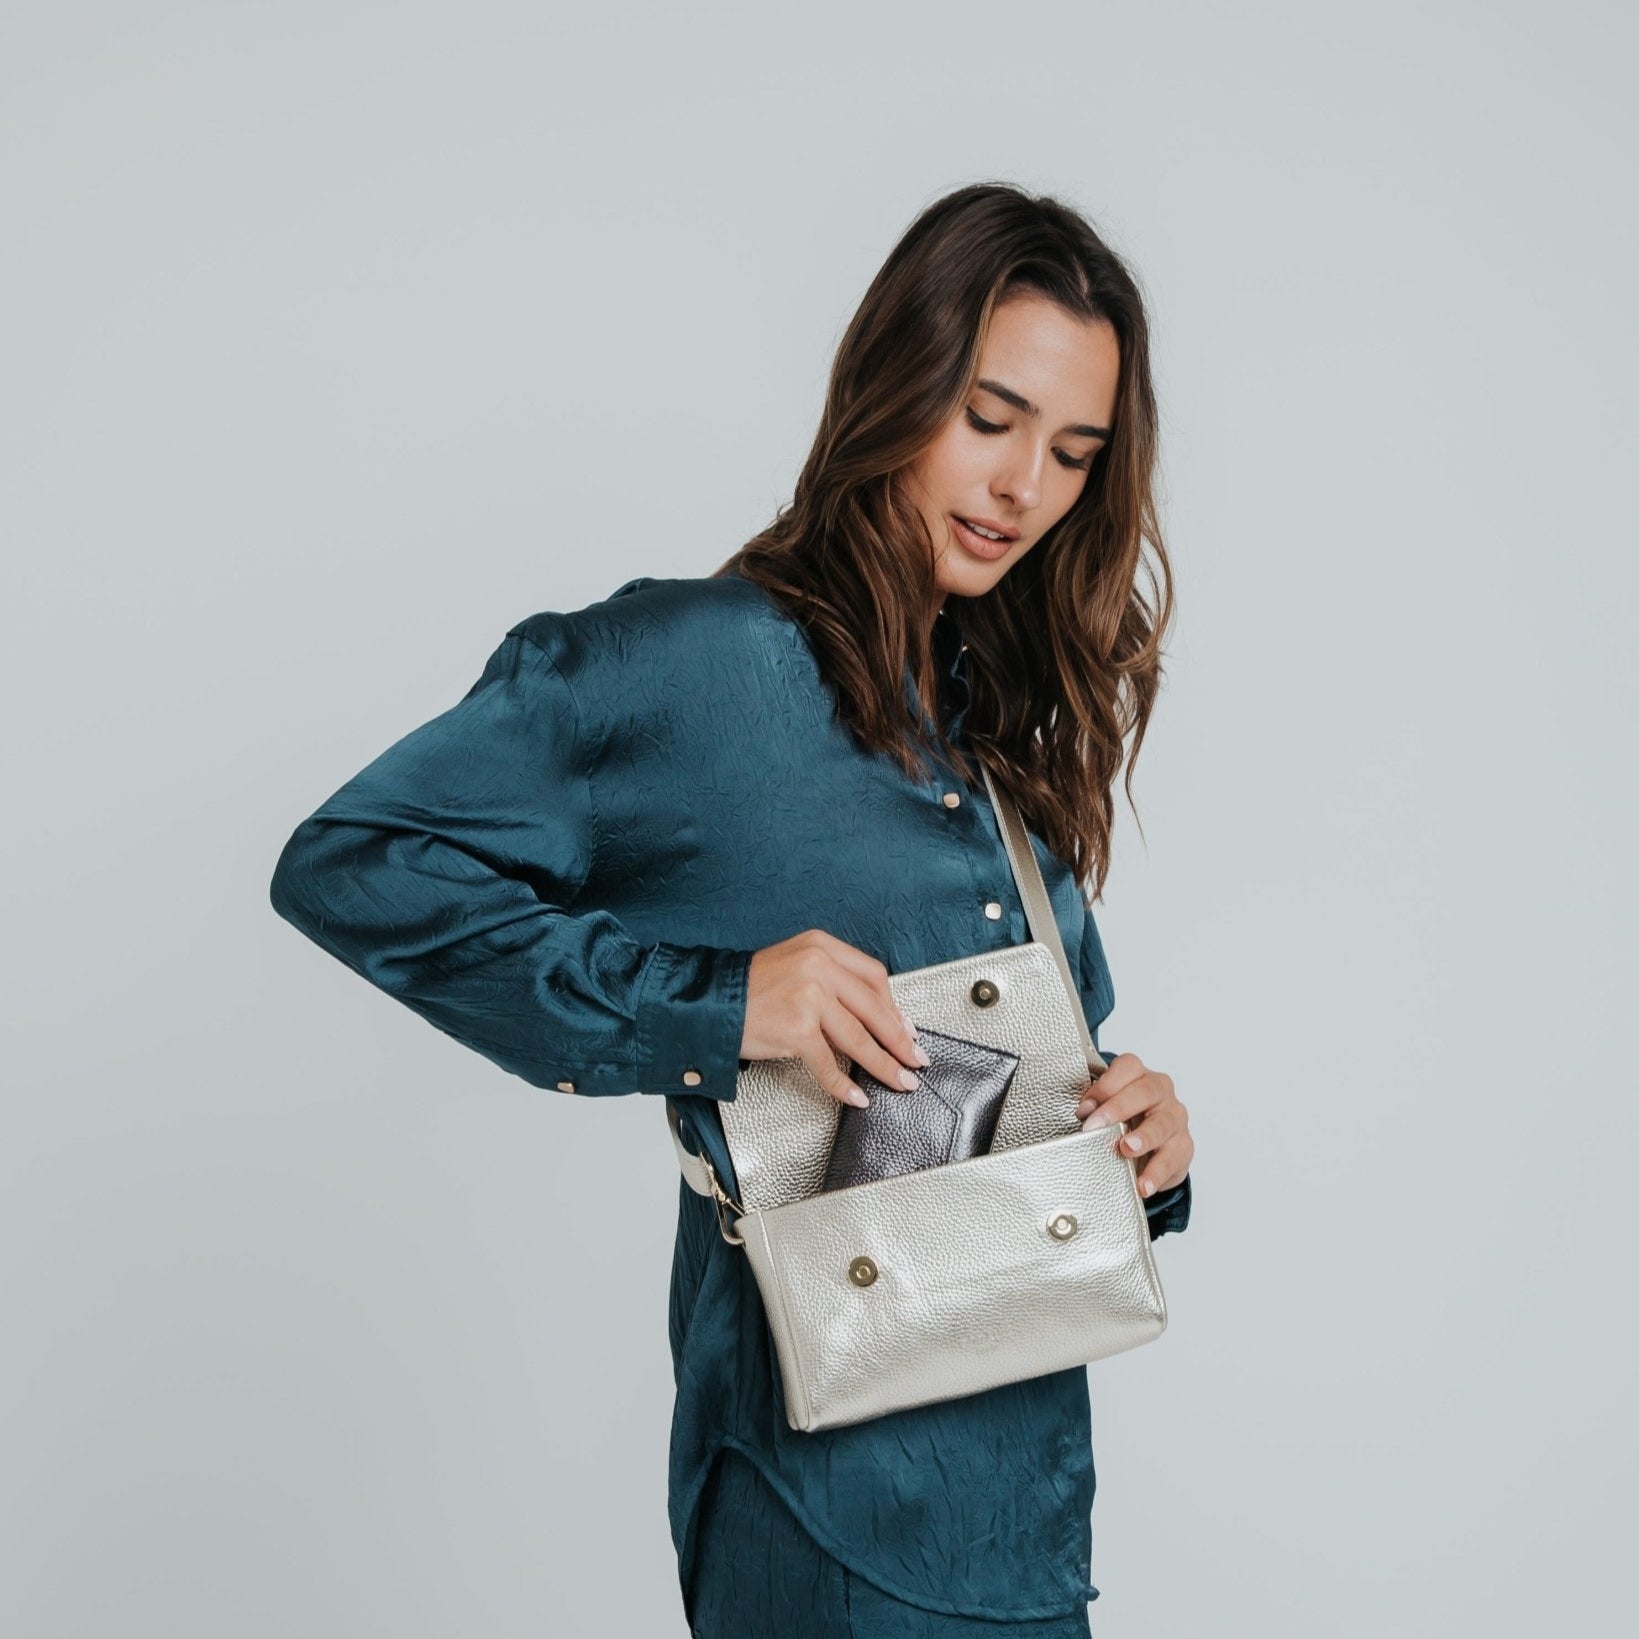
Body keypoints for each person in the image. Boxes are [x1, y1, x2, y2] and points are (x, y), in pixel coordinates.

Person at [269, 180, 1195, 1637]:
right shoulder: (696, 666)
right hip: (817, 1503)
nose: (1025, 485)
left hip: (1027, 1512)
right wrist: (714, 1006)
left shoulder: (993, 728)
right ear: (896, 385)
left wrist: (1143, 1139)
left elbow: (1040, 1085)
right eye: (990, 418)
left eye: (1075, 453)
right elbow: (356, 861)